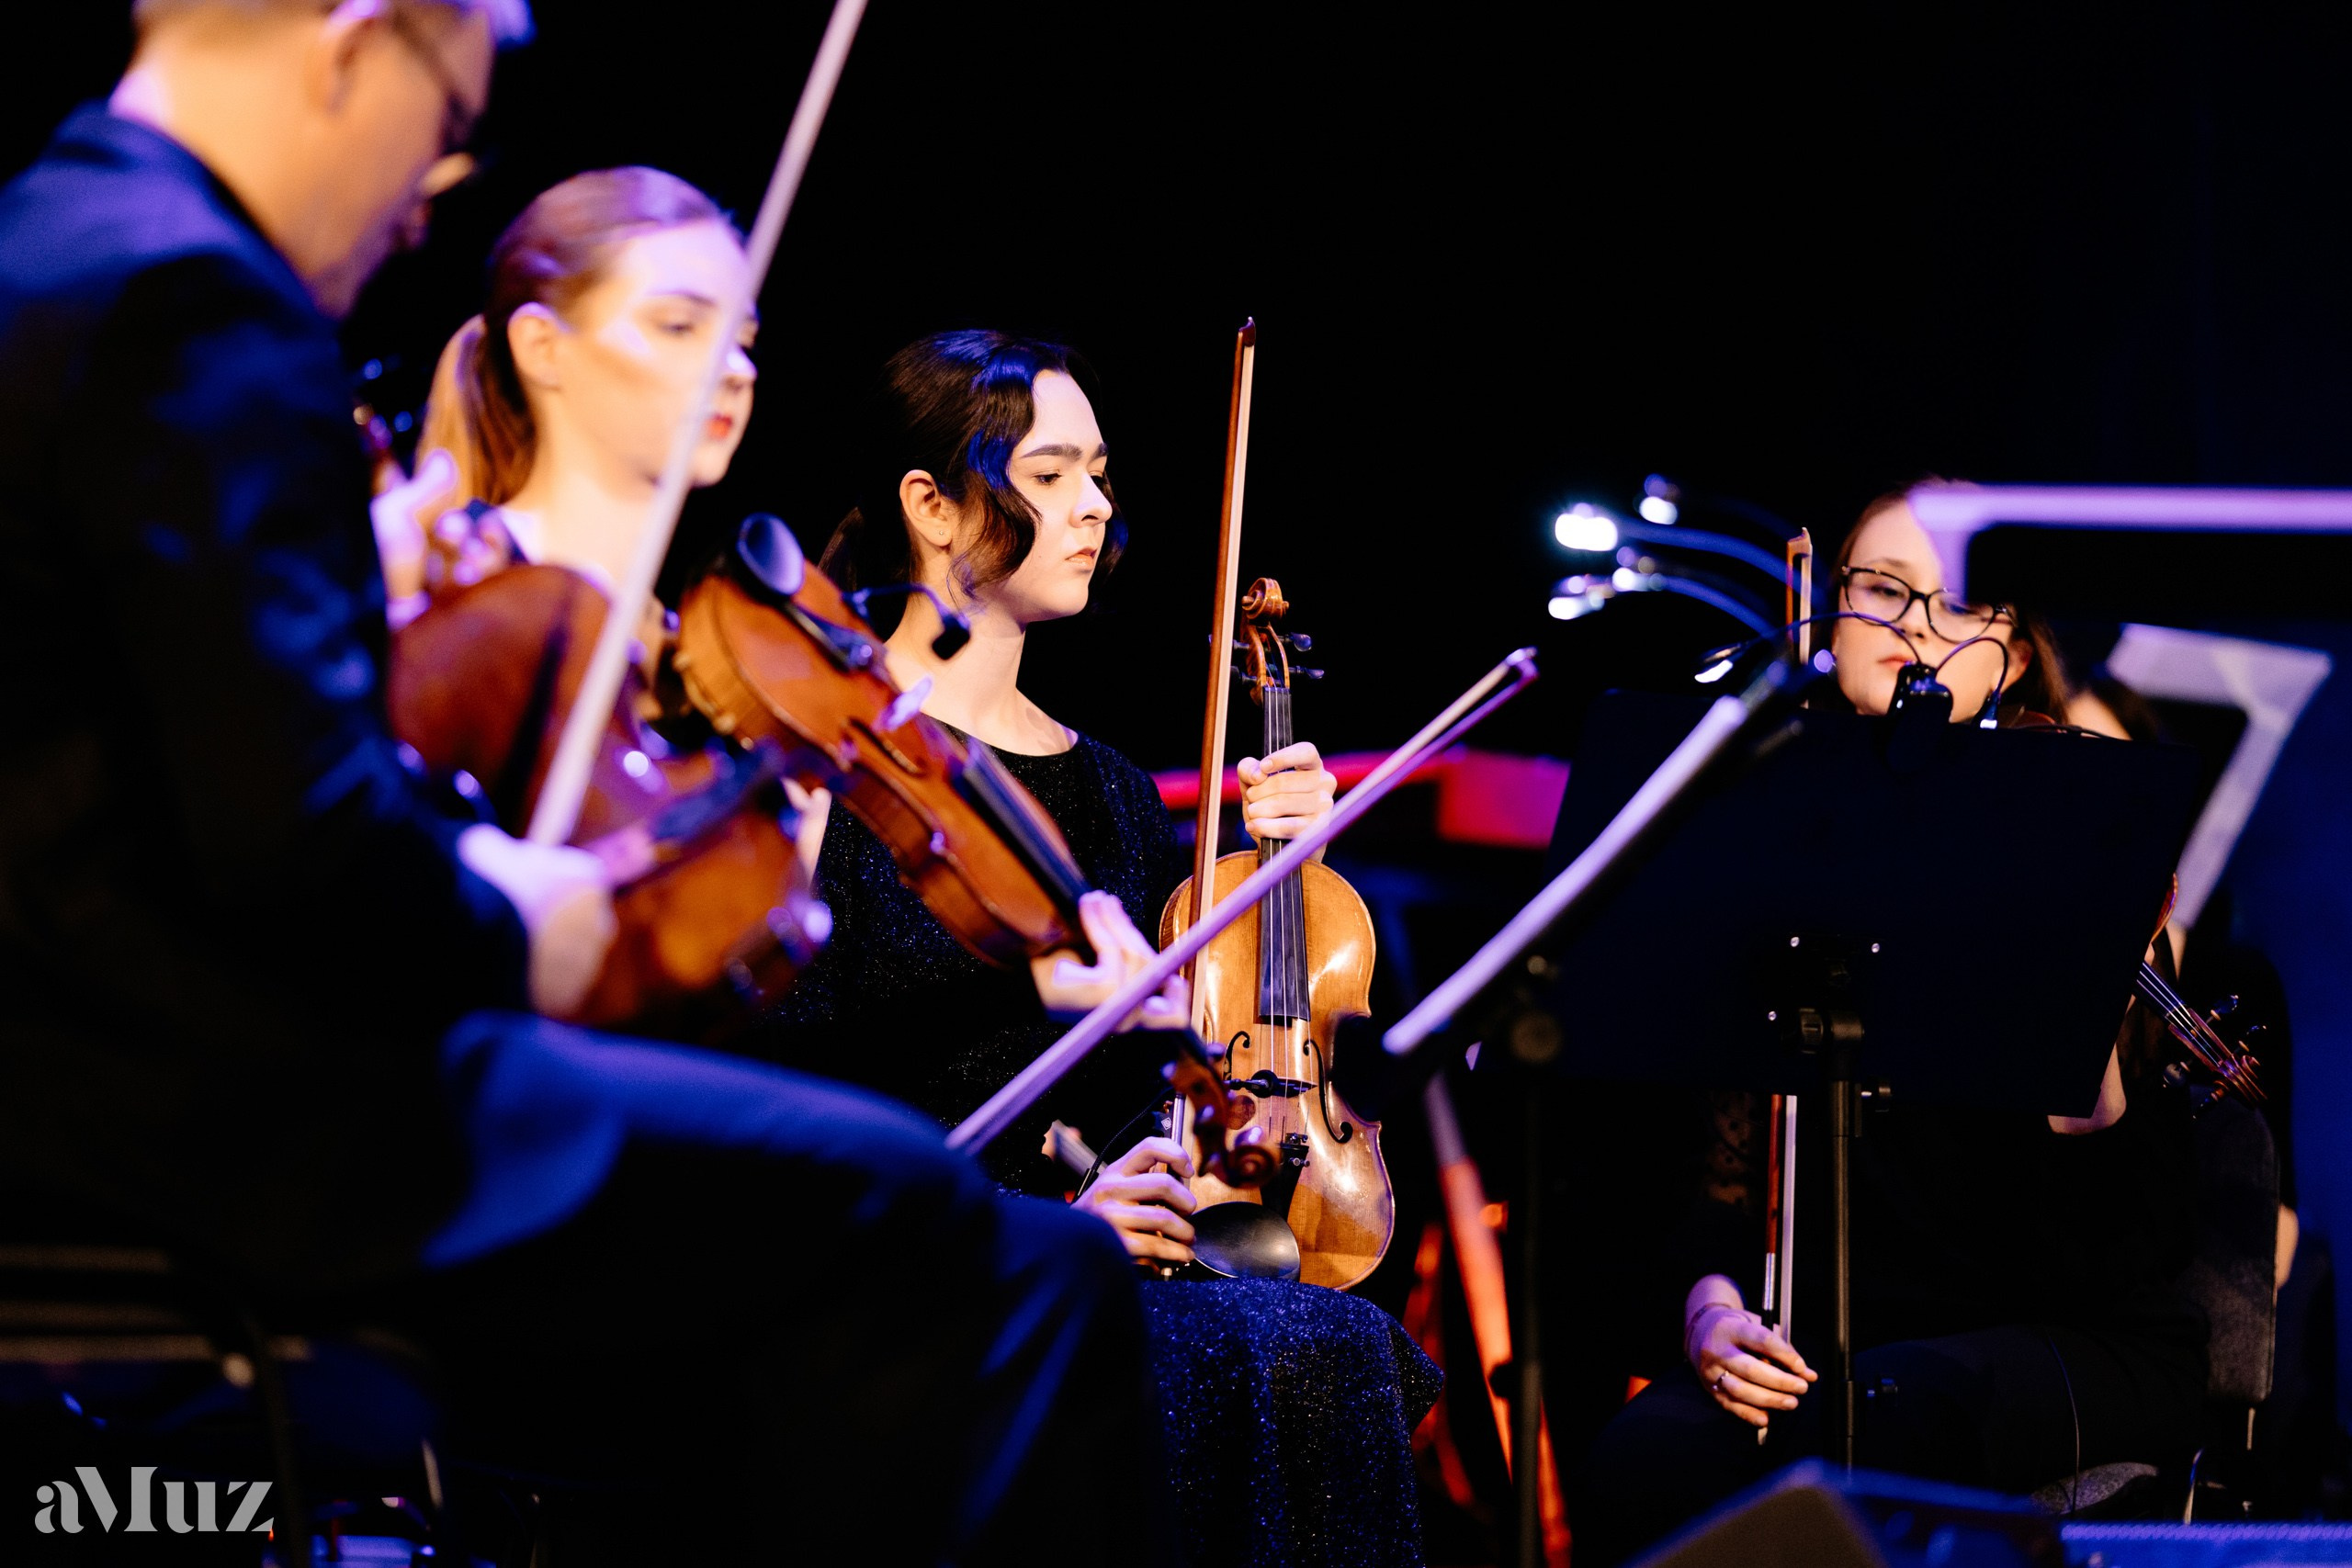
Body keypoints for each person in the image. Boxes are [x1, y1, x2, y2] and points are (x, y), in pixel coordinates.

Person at [0, 4, 1179, 1560]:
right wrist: (518, 918)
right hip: (214, 1117)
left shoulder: (45, 241)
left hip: (88, 1075)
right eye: (446, 122)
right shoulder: (195, 304)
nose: (431, 186)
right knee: (1002, 1262)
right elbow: (291, 843)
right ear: (355, 41)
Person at [746, 331, 1442, 1567]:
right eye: (1055, 473)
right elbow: (787, 1081)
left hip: (1105, 1249)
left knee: (1335, 1339)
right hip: (914, 1266)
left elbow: (1160, 1090)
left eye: (1102, 472)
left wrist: (1274, 877)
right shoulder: (832, 760)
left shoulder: (1116, 796)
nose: (1099, 504)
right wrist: (1051, 1217)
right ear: (936, 506)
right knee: (1285, 1349)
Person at [1569, 491, 2206, 1562]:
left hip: (2071, 1332)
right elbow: (1722, 1191)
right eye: (1883, 591)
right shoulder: (1774, 852)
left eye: (1958, 605)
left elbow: (2120, 1240)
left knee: (1868, 1421)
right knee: (1645, 1454)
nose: (1916, 624)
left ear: (2007, 650)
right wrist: (1711, 1317)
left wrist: (2072, 982)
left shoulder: (2067, 839)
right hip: (1848, 1335)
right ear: (1833, 613)